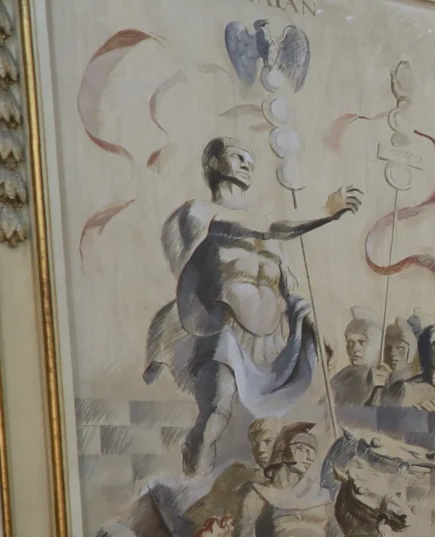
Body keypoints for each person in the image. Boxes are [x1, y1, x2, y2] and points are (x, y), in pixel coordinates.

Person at [146, 138, 363, 472]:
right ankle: (195, 472)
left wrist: (314, 326)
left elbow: (285, 291)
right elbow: (267, 228)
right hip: (224, 331)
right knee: (216, 413)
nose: (248, 164)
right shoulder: (200, 213)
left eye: (250, 159)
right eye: (237, 157)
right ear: (214, 164)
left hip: (273, 342)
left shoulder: (268, 235)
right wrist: (325, 214)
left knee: (296, 422)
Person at [331, 313, 384, 411]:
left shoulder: (383, 379)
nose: (355, 349)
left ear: (377, 346)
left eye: (362, 342)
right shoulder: (342, 377)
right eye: (350, 342)